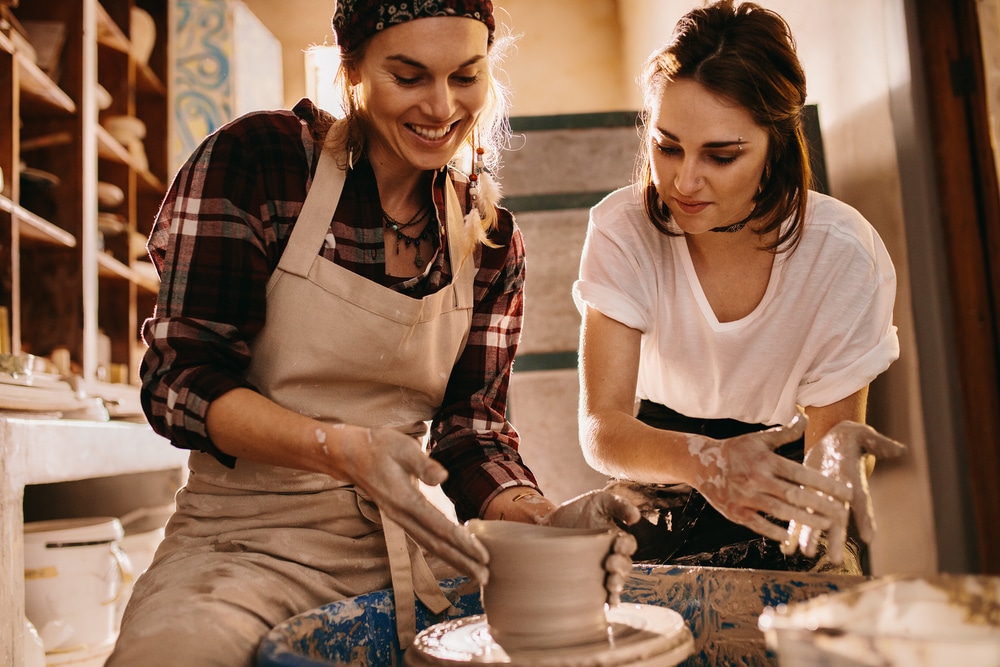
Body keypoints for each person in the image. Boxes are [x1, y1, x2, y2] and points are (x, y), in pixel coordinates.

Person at [108, 2, 638, 665]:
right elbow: (177, 381)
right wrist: (342, 449)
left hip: (405, 553)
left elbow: (470, 432)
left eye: (465, 76)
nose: (443, 105)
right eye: (409, 76)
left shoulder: (491, 240)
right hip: (238, 549)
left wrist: (545, 519)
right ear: (352, 70)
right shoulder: (262, 163)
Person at [572, 0, 905, 575]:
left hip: (784, 485)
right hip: (660, 475)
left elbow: (831, 443)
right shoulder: (622, 229)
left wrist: (835, 464)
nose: (683, 180)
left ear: (776, 145)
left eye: (721, 156)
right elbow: (603, 429)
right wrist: (707, 462)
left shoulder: (842, 252)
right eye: (666, 145)